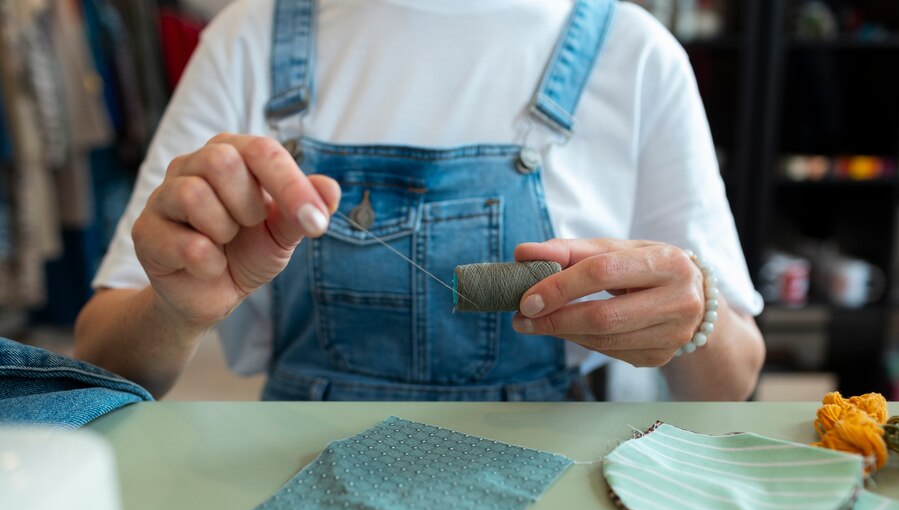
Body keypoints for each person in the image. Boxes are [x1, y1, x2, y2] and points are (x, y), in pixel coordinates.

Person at [74, 0, 765, 402]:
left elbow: (733, 382)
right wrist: (175, 308)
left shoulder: (636, 54)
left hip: (549, 505)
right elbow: (103, 363)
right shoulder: (248, 40)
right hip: (300, 487)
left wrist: (696, 314)